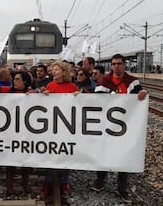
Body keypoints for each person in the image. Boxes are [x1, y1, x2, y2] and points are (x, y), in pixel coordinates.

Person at [90, 54, 148, 203]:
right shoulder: (104, 81)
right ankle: (100, 180)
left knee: (125, 156)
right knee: (104, 153)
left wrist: (142, 94)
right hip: (107, 127)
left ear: (124, 65)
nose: (116, 66)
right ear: (111, 65)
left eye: (119, 64)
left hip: (126, 127)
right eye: (114, 64)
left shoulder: (132, 82)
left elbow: (139, 99)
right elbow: (97, 102)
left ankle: (122, 188)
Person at [41, 61, 79, 198]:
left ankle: (65, 182)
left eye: (57, 70)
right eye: (53, 70)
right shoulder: (49, 86)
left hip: (67, 127)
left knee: (66, 153)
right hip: (52, 127)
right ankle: (47, 182)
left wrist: (77, 97)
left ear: (64, 72)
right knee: (51, 154)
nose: (54, 72)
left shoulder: (72, 87)